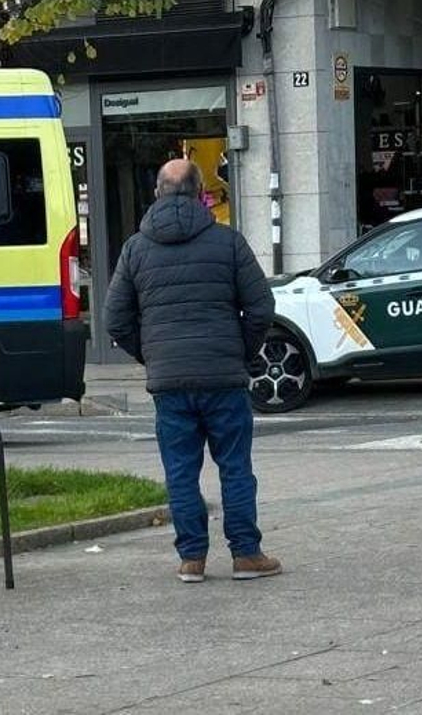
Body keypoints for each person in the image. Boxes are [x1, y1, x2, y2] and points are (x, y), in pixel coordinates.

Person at [106, 159, 280, 583]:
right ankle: (245, 555)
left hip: (170, 383)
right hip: (224, 377)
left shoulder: (135, 248)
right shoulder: (228, 242)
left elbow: (115, 318)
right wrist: (242, 350)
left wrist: (151, 354)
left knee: (180, 470)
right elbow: (261, 307)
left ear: (158, 193)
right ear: (201, 192)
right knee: (235, 466)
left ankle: (191, 560)